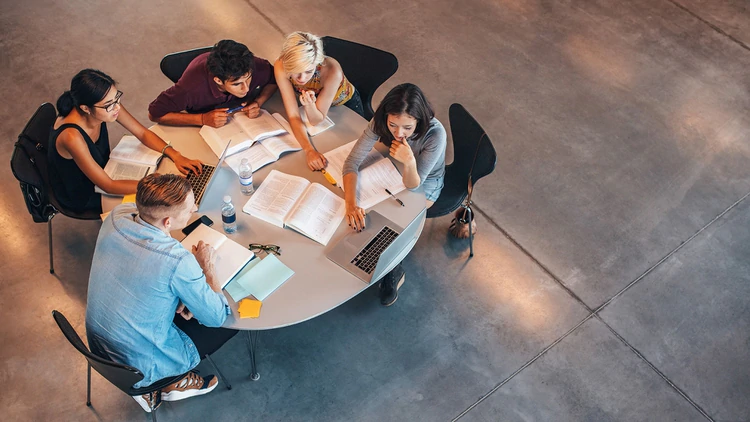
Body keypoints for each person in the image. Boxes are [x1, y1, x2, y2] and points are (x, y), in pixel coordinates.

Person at [86, 173, 238, 413]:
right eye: (189, 209)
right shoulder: (177, 260)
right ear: (167, 222)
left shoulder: (117, 215)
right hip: (141, 362)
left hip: (99, 345)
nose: (195, 208)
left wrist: (178, 294)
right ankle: (169, 380)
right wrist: (207, 267)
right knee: (232, 324)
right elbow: (217, 317)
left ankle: (159, 382)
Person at [342, 83, 446, 306]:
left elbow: (414, 185)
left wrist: (409, 162)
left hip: (424, 182)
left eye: (408, 128)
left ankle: (393, 268)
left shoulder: (435, 134)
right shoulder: (380, 122)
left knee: (395, 218)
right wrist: (351, 203)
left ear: (419, 120)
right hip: (391, 169)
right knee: (367, 209)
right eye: (393, 125)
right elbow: (351, 162)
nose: (399, 133)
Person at [49, 69, 201, 214]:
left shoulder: (106, 104)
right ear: (86, 108)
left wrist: (175, 155)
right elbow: (107, 185)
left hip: (104, 169)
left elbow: (142, 133)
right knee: (158, 206)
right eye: (109, 105)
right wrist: (159, 184)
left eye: (117, 98)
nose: (117, 107)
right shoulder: (71, 137)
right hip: (85, 191)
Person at [275, 31, 365, 171]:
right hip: (313, 102)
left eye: (309, 71)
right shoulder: (281, 66)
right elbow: (293, 115)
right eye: (296, 71)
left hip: (345, 105)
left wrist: (310, 106)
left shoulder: (332, 70)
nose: (301, 78)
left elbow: (316, 120)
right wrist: (308, 150)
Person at [148, 39, 277, 128]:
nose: (246, 88)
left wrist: (258, 101)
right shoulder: (191, 88)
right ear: (218, 80)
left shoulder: (251, 65)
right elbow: (155, 114)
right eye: (237, 84)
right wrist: (202, 119)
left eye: (248, 78)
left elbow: (274, 79)